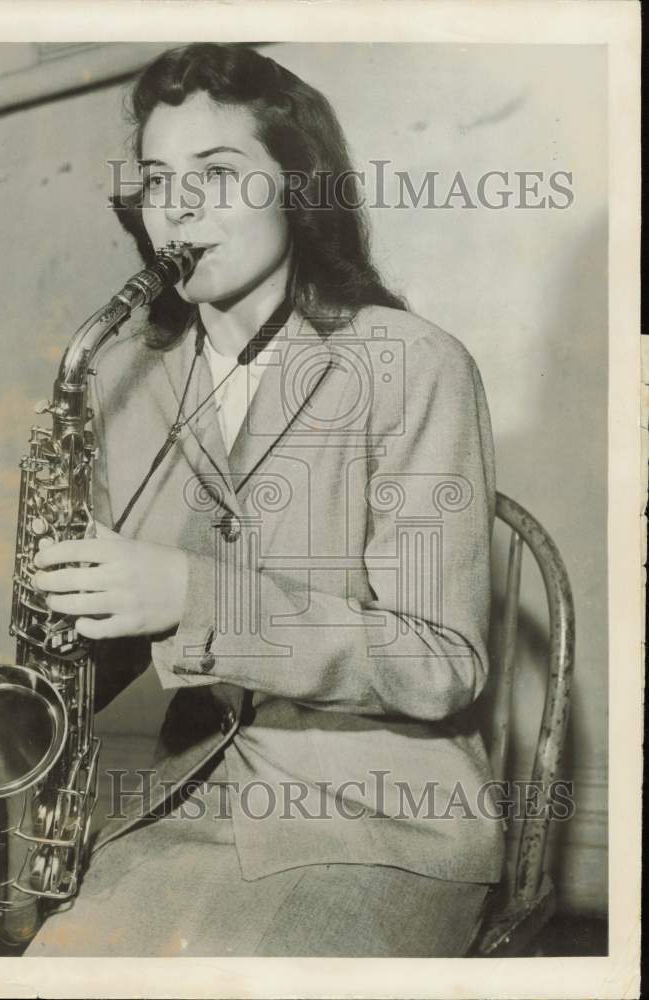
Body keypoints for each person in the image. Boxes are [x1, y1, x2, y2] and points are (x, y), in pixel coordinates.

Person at [27, 42, 503, 958]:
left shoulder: (411, 363)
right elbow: (115, 631)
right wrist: (65, 645)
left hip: (381, 823)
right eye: (160, 178)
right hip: (188, 802)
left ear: (297, 186)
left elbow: (441, 662)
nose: (181, 205)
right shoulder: (126, 374)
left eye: (219, 172)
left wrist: (191, 596)